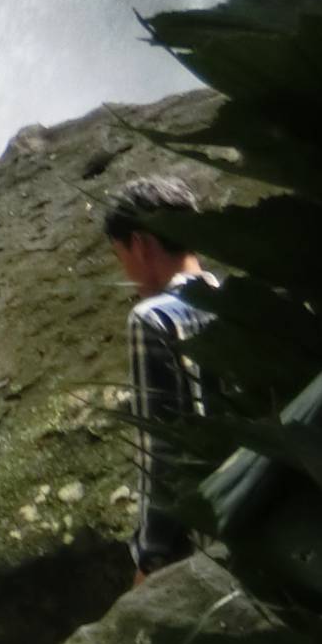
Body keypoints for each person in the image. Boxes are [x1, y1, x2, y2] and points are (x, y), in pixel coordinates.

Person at [103, 173, 218, 582]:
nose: (129, 276)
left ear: (140, 244)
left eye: (122, 257)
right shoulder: (237, 300)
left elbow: (164, 451)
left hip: (211, 535)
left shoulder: (153, 318)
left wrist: (150, 557)